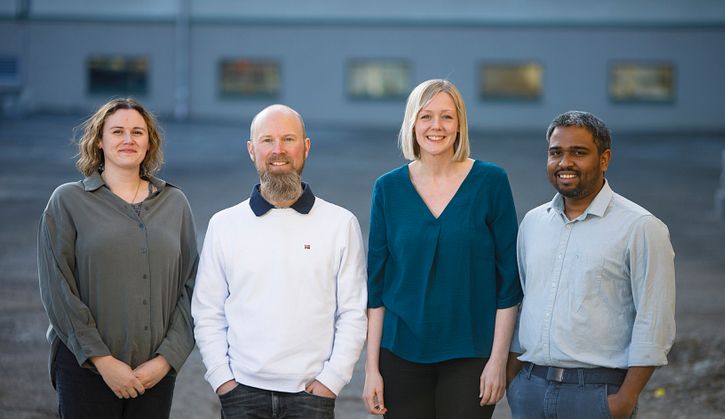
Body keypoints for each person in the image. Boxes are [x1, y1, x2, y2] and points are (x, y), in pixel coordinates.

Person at [192, 104, 367, 419]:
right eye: (267, 140)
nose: (278, 150)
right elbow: (207, 311)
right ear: (251, 150)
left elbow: (353, 313)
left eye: (288, 139)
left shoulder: (340, 223)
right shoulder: (224, 224)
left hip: (312, 395)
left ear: (306, 147)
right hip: (241, 394)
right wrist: (222, 379)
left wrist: (333, 380)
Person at [363, 79, 523, 418]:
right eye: (426, 116)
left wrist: (498, 360)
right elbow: (376, 288)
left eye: (447, 117)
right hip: (400, 353)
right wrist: (371, 370)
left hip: (472, 354)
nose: (436, 126)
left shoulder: (491, 182)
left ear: (460, 125)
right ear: (412, 123)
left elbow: (508, 282)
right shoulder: (387, 189)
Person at [506, 111, 676, 419]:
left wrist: (624, 400)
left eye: (578, 152)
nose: (564, 163)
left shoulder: (641, 227)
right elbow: (522, 306)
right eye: (556, 153)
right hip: (530, 390)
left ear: (604, 158)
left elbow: (655, 321)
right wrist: (512, 382)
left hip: (597, 394)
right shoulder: (533, 223)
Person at [37, 97, 199, 418]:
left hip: (155, 373)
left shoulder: (175, 203)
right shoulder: (68, 201)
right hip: (85, 368)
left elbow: (192, 287)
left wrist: (166, 360)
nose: (128, 139)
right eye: (118, 131)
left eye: (138, 132)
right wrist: (103, 361)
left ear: (149, 142)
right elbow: (58, 288)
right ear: (99, 140)